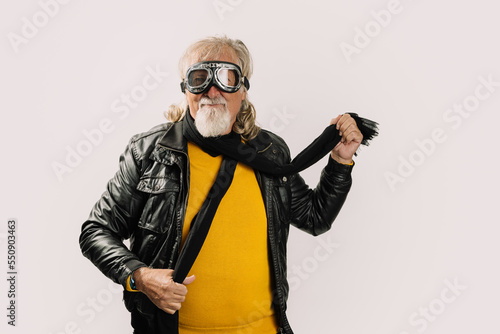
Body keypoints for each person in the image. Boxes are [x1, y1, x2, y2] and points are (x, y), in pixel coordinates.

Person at [80, 35, 366, 334]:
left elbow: (314, 218)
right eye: (199, 78)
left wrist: (340, 161)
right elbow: (96, 230)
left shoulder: (269, 152)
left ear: (243, 89)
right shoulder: (151, 151)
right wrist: (140, 276)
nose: (212, 90)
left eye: (226, 77)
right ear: (184, 88)